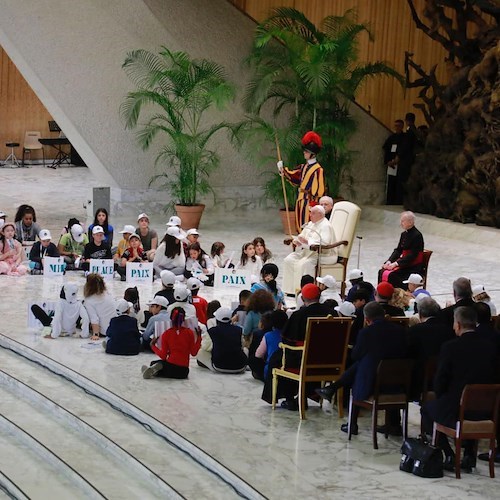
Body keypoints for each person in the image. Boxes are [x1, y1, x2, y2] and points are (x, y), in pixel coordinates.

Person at [421, 307, 497, 472]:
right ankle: (469, 454)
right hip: (487, 408)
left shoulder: (450, 347)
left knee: (427, 410)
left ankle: (448, 454)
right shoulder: (491, 347)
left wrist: (442, 398)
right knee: (469, 405)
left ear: (458, 324)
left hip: (456, 405)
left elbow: (440, 380)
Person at [315, 302, 408, 434]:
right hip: (398, 384)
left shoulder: (366, 333)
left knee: (362, 366)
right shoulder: (401, 331)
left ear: (366, 319)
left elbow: (355, 355)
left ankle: (351, 422)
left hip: (373, 385)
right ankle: (394, 424)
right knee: (370, 364)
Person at [262, 284, 332, 410]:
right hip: (329, 361)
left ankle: (291, 399)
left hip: (304, 360)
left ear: (303, 298)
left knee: (279, 358)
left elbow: (288, 340)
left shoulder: (299, 315)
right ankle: (306, 395)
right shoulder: (332, 312)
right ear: (319, 296)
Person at [282, 205, 336, 295]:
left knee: (304, 264)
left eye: (313, 213)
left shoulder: (326, 226)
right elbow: (302, 236)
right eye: (310, 212)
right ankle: (291, 290)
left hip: (323, 253)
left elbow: (325, 242)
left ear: (320, 214)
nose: (310, 215)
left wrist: (308, 242)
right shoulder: (311, 223)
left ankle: (304, 291)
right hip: (307, 251)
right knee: (289, 260)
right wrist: (297, 241)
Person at [277, 131, 325, 231]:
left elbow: (319, 191)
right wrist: (283, 170)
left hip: (309, 202)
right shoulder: (304, 167)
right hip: (301, 200)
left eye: (306, 151)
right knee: (300, 225)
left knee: (309, 226)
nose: (304, 153)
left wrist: (313, 205)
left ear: (312, 154)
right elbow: (296, 177)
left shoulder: (318, 169)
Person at [407, 297, 452, 401]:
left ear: (420, 313)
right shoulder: (448, 330)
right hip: (443, 378)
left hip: (419, 381)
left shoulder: (414, 331)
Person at [142, 307, 201, 379]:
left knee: (156, 363)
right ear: (184, 319)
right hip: (184, 372)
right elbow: (193, 353)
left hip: (170, 367)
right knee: (163, 365)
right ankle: (155, 370)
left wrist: (153, 346)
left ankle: (154, 371)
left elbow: (163, 356)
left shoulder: (166, 334)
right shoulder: (189, 333)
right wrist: (199, 338)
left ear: (171, 318)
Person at [379, 211, 424, 289]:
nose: (401, 223)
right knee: (382, 271)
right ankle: (382, 295)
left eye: (403, 221)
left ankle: (396, 296)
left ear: (410, 222)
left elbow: (412, 255)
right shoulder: (404, 234)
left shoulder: (417, 235)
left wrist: (396, 264)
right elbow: (398, 250)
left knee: (392, 275)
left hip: (412, 266)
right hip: (404, 262)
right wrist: (389, 261)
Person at [197, 306, 247, 373]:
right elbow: (242, 345)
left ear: (217, 319)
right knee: (246, 350)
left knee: (201, 352)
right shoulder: (239, 330)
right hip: (240, 366)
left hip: (219, 366)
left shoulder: (212, 331)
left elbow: (205, 347)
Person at [255, 310, 288, 381]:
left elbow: (258, 354)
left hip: (271, 371)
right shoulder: (290, 336)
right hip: (287, 370)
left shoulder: (268, 335)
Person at [83, 273, 117, 340]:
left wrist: (95, 334)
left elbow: (94, 318)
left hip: (104, 331)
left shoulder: (89, 301)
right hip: (114, 328)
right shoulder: (107, 294)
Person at [382, 119, 405, 204]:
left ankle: (397, 201)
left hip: (400, 165)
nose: (397, 127)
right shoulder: (391, 137)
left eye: (399, 126)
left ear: (402, 126)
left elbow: (405, 150)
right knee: (391, 184)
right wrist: (388, 161)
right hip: (391, 164)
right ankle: (389, 201)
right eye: (395, 126)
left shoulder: (404, 138)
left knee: (399, 185)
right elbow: (386, 149)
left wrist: (397, 160)